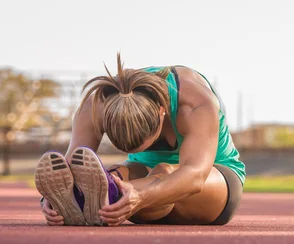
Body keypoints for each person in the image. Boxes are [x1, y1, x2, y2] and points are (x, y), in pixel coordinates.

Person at [35, 54, 245, 227]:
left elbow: (195, 176)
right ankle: (102, 199)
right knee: (115, 175)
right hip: (145, 189)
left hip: (214, 184)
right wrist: (53, 199)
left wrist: (140, 194)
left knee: (164, 171)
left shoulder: (194, 101)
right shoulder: (97, 104)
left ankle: (113, 196)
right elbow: (71, 165)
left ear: (162, 112)